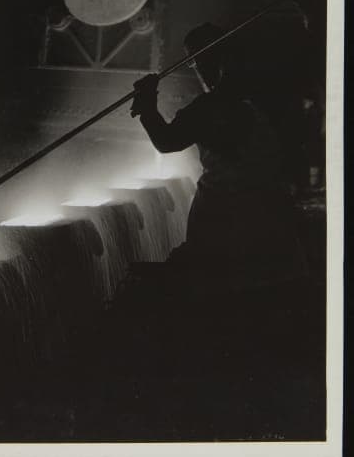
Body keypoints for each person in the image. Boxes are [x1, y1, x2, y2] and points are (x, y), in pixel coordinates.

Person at [130, 23, 307, 293]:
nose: (198, 69)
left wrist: (147, 105)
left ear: (220, 59)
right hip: (272, 227)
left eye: (198, 60)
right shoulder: (271, 100)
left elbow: (166, 142)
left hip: (222, 226)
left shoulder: (210, 107)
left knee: (221, 300)